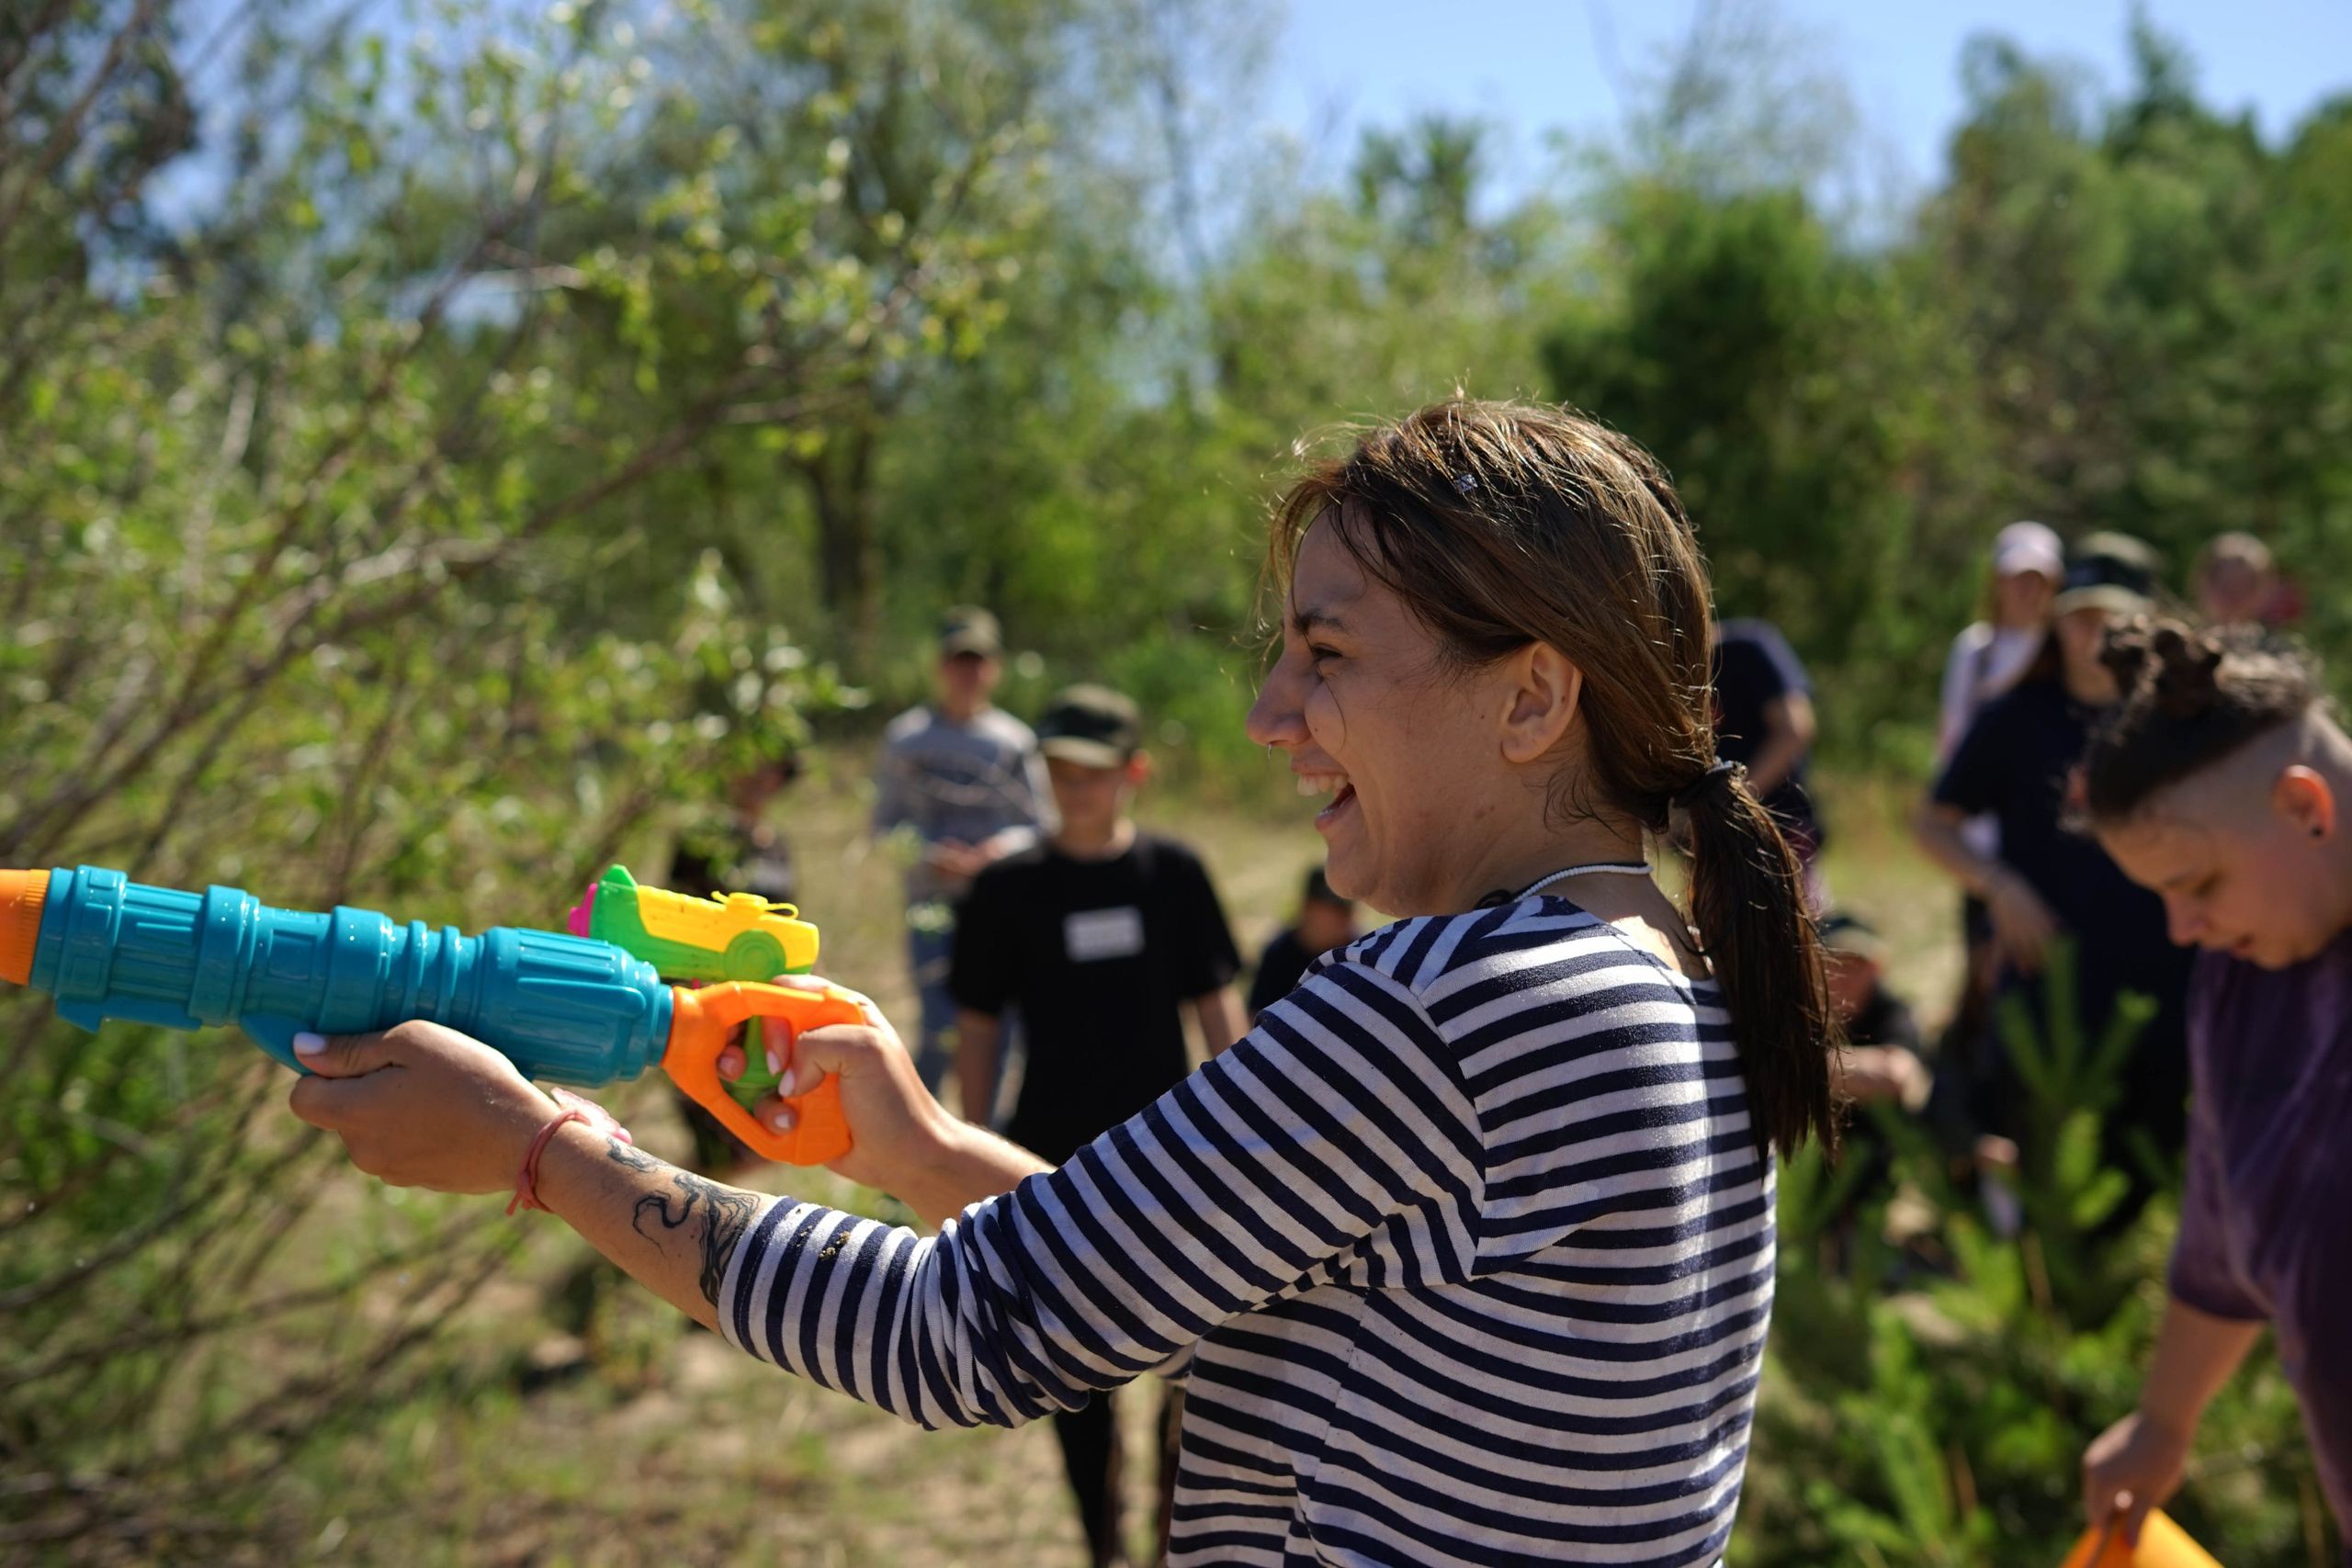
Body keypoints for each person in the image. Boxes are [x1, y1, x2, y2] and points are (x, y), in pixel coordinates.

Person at [283, 400, 1840, 1566]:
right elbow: (1198, 1281)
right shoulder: (1660, 973)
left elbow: (961, 1335)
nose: (1267, 712)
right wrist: (918, 1148)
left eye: (1328, 654)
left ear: (1533, 697)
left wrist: (543, 1153)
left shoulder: (1455, 1003)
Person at [2068, 621, 2352, 1551]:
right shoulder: (2242, 978)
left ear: (2305, 806)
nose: (2182, 929)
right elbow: (2223, 1220)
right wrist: (2164, 1421)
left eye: (2199, 883)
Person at [949, 682, 1245, 1568]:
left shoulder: (1173, 874)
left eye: (1093, 771)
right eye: (1060, 769)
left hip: (1177, 1172)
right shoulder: (1008, 890)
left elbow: (1217, 1007)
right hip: (1051, 1175)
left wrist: (1244, 1138)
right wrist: (967, 1152)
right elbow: (977, 1028)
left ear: (1133, 774)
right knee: (1078, 1386)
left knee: (1194, 1386)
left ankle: (1168, 1547)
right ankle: (1103, 1548)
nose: (1075, 787)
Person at [1912, 533, 2194, 1217]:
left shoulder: (2177, 727)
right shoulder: (2015, 718)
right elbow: (1932, 822)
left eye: (2113, 618)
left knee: (2145, 1173)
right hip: (2046, 986)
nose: (2094, 632)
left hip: (2160, 986)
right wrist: (1998, 886)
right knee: (2040, 1175)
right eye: (2080, 614)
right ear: (2056, 621)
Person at [871, 606, 1050, 1099]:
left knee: (1001, 1030)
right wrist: (930, 853)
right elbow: (884, 827)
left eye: (978, 661)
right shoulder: (906, 738)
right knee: (938, 1030)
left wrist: (1000, 851)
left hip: (1001, 908)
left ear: (994, 668)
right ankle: (910, 1144)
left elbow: (1040, 824)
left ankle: (985, 1147)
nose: (967, 672)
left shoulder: (1013, 741)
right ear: (939, 665)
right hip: (932, 906)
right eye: (957, 659)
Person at [664, 749, 801, 1173]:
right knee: (717, 1131)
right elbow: (674, 915)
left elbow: (793, 926)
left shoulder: (777, 845)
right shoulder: (702, 839)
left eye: (771, 766)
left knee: (749, 1138)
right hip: (707, 996)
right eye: (752, 761)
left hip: (763, 1009)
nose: (759, 775)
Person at [1936, 522, 2064, 761]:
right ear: (1998, 581)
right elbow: (1952, 734)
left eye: (2038, 580)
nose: (2027, 590)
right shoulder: (1973, 648)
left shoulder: (2061, 650)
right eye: (2018, 579)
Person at [1712, 616, 1823, 880]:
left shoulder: (1747, 647)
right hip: (1714, 841)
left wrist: (1732, 800)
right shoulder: (1670, 668)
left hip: (1777, 830)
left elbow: (1795, 728)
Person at [1245, 865, 1358, 1020]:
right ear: (1308, 907)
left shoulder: (1358, 953)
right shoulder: (1279, 954)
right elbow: (1254, 1017)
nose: (1344, 919)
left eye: (1347, 910)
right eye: (1335, 910)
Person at [2190, 531, 2290, 628]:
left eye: (2244, 587)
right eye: (2225, 587)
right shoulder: (2179, 641)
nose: (2233, 598)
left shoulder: (2275, 644)